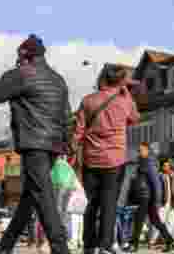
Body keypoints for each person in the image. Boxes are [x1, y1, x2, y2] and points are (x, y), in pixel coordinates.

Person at [0, 35, 71, 254]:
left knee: (43, 196)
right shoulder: (58, 79)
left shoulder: (22, 74)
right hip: (54, 145)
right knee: (31, 195)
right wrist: (67, 144)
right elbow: (67, 115)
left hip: (34, 143)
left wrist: (14, 70)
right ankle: (6, 245)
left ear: (24, 55)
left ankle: (60, 248)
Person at [74, 64, 140, 254]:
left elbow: (78, 131)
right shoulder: (124, 102)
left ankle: (88, 245)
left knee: (92, 203)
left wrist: (72, 149)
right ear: (120, 82)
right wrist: (126, 93)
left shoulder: (88, 101)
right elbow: (135, 118)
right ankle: (105, 246)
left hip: (91, 159)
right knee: (109, 204)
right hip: (115, 161)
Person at [127, 142, 174, 253]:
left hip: (147, 197)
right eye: (138, 150)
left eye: (141, 150)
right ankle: (169, 240)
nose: (139, 152)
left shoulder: (149, 162)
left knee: (139, 220)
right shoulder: (142, 162)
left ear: (147, 150)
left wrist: (157, 199)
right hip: (145, 196)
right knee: (155, 220)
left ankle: (134, 245)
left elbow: (155, 182)